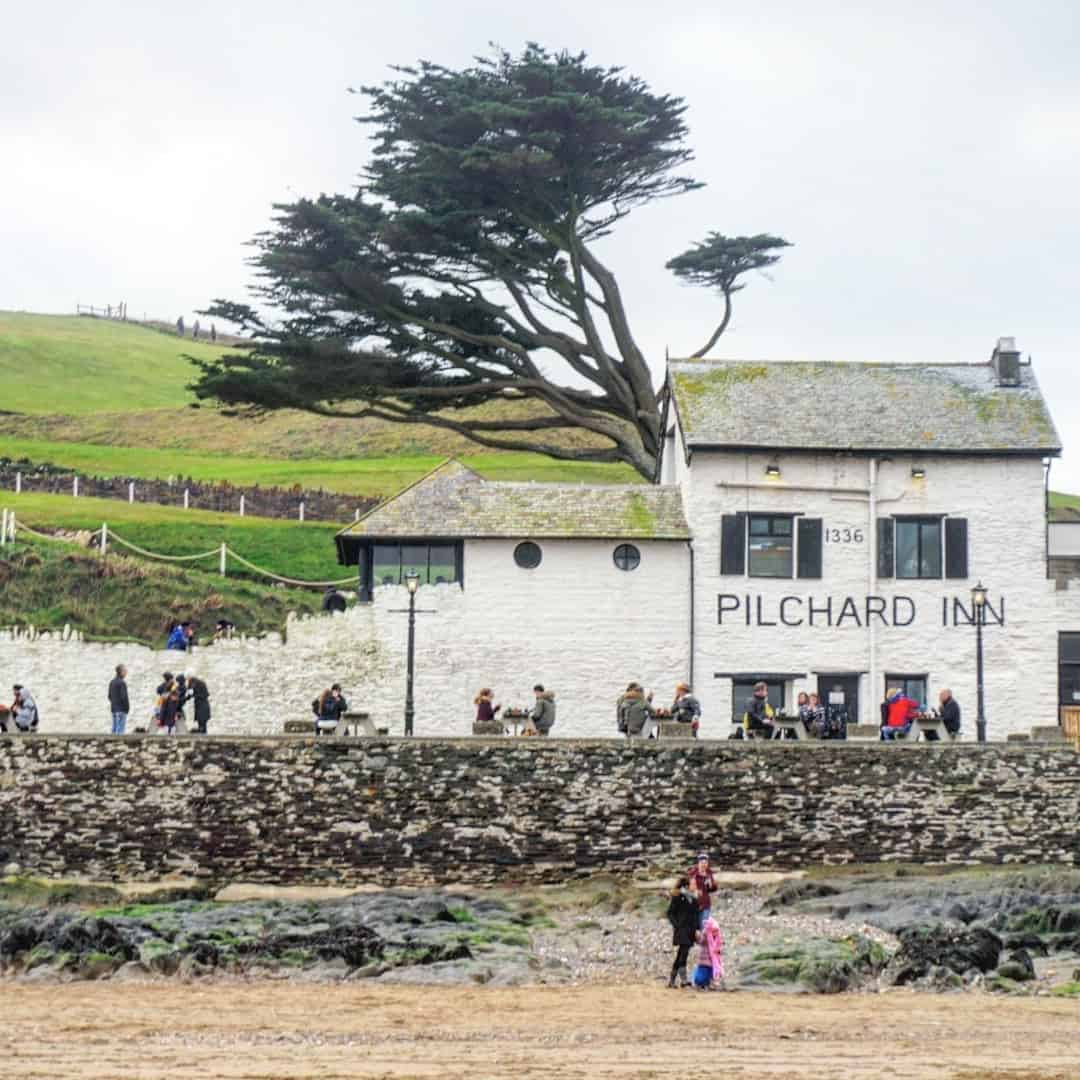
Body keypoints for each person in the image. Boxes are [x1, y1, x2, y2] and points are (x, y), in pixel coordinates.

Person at [666, 876, 699, 988]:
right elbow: (670, 913)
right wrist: (677, 925)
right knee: (683, 953)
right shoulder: (678, 897)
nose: (695, 886)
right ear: (687, 886)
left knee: (681, 954)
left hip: (690, 931)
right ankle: (684, 980)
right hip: (681, 930)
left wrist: (697, 930)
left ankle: (672, 981)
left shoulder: (694, 900)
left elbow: (696, 917)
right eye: (693, 884)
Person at [691, 914, 726, 991]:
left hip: (712, 962)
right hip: (704, 960)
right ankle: (699, 983)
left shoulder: (717, 938)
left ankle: (707, 984)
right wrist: (697, 935)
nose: (714, 933)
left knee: (710, 974)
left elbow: (719, 946)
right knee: (701, 975)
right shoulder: (706, 935)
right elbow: (700, 941)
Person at [687, 852, 717, 928]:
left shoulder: (709, 874)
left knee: (704, 926)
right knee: (695, 927)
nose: (704, 865)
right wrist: (693, 889)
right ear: (698, 863)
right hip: (694, 905)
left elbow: (713, 889)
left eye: (705, 863)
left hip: (706, 904)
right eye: (702, 863)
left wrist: (711, 885)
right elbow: (688, 889)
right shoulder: (692, 874)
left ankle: (704, 939)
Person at [108, 664, 129, 735]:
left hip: (114, 709)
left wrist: (114, 703)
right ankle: (118, 743)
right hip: (121, 710)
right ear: (121, 672)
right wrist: (127, 708)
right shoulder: (122, 683)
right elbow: (124, 697)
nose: (126, 672)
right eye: (125, 671)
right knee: (120, 731)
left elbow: (109, 696)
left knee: (114, 729)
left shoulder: (112, 682)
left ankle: (112, 743)